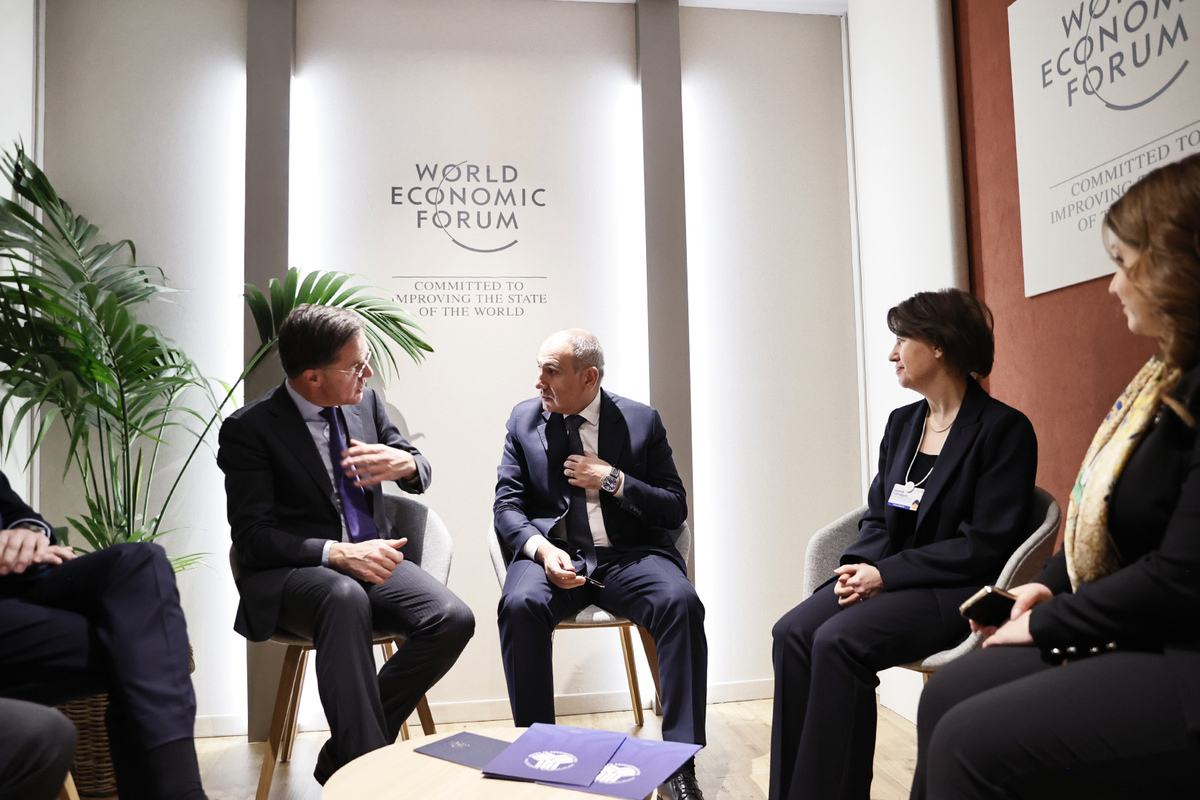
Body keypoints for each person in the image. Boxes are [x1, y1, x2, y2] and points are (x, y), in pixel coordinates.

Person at [910, 154, 1200, 799]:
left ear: (1176, 266)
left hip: (1181, 650)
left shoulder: (1004, 426)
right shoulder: (1160, 382)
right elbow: (1107, 517)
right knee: (947, 691)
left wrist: (1050, 620)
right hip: (1138, 622)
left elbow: (1181, 575)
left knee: (967, 739)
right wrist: (1049, 585)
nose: (1113, 285)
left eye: (1123, 263)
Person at [769, 289, 1038, 800]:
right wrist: (859, 566)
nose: (892, 354)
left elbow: (984, 546)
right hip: (888, 578)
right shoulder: (903, 424)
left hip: (953, 589)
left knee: (837, 642)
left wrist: (886, 575)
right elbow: (878, 517)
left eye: (901, 340)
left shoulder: (1004, 430)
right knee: (792, 633)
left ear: (938, 345)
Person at [217, 304, 474, 783]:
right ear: (312, 377)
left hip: (370, 559)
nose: (367, 373)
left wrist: (406, 464)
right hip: (293, 574)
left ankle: (347, 758)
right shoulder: (249, 430)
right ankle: (370, 780)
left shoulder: (365, 403)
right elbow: (253, 539)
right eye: (356, 366)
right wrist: (336, 553)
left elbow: (417, 465)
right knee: (343, 595)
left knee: (452, 618)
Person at [494, 329, 708, 800]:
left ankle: (679, 766)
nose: (538, 381)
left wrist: (612, 479)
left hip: (629, 556)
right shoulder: (523, 421)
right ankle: (536, 758)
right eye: (539, 368)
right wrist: (541, 550)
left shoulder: (640, 421)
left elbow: (673, 507)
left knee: (681, 603)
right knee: (519, 605)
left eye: (551, 371)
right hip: (554, 554)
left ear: (589, 377)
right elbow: (506, 507)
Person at [0, 469, 208, 800]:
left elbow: (16, 512)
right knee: (142, 648)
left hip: (24, 579)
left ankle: (181, 792)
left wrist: (28, 533)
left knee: (141, 561)